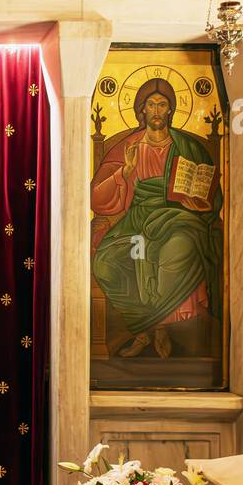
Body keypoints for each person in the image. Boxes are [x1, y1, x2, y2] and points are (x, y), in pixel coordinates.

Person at [90, 78, 222, 359]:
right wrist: (124, 172)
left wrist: (197, 205)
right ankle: (144, 329)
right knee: (105, 262)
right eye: (151, 104)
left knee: (176, 250)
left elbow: (212, 195)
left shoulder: (188, 147)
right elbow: (97, 197)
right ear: (142, 110)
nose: (157, 110)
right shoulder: (129, 146)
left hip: (180, 219)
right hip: (137, 221)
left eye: (162, 104)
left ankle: (159, 329)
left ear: (171, 110)